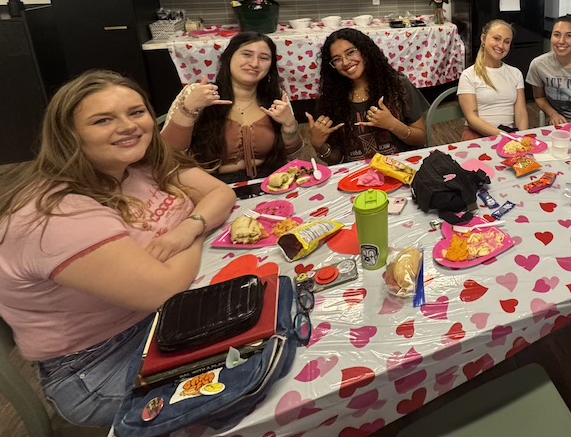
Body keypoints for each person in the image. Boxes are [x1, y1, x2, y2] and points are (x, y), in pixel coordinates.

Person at [0, 70, 236, 427]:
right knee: (245, 375)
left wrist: (186, 229)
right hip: (98, 366)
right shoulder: (56, 213)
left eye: (136, 112)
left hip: (158, 319)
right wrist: (195, 230)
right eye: (103, 120)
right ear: (69, 135)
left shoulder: (137, 165)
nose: (128, 126)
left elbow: (221, 194)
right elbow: (163, 289)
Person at [162, 32, 304, 182]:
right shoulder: (198, 94)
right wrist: (188, 109)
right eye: (247, 54)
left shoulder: (276, 97)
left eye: (264, 58)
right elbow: (166, 154)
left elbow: (294, 156)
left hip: (270, 182)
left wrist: (289, 126)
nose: (255, 63)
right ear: (229, 57)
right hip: (211, 185)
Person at [308, 28, 429, 164]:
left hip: (400, 169)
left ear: (365, 50)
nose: (346, 62)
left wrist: (393, 124)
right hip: (357, 178)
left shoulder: (397, 85)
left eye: (351, 52)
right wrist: (319, 146)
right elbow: (337, 160)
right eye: (337, 59)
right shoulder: (330, 99)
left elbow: (421, 139)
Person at [457, 19, 530, 140]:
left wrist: (524, 137)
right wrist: (502, 135)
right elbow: (472, 118)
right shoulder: (468, 75)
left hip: (509, 134)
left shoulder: (516, 73)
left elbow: (521, 113)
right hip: (478, 135)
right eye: (496, 38)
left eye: (506, 42)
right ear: (483, 39)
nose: (501, 46)